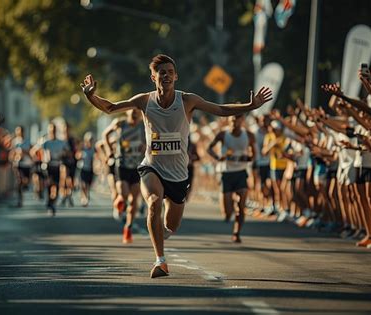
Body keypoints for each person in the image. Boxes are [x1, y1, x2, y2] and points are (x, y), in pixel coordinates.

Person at [81, 54, 272, 278]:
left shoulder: (187, 100)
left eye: (170, 72)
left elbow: (219, 109)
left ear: (176, 76)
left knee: (171, 226)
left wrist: (250, 106)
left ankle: (161, 233)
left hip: (179, 174)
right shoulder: (144, 100)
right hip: (151, 166)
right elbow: (111, 107)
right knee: (153, 202)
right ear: (153, 77)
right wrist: (91, 96)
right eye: (162, 72)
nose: (166, 76)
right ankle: (160, 261)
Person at [207, 114, 256, 243]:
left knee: (241, 207)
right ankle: (230, 209)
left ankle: (237, 233)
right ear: (229, 121)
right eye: (233, 120)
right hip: (226, 173)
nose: (235, 123)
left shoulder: (249, 135)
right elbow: (209, 148)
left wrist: (248, 157)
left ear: (242, 121)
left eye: (238, 120)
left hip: (241, 173)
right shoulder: (223, 135)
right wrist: (218, 158)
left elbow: (254, 155)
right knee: (228, 213)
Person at [103, 109, 145, 243]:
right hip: (122, 164)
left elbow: (153, 139)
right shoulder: (120, 124)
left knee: (134, 201)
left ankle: (128, 227)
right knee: (124, 195)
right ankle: (119, 203)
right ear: (127, 113)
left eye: (137, 113)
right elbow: (105, 134)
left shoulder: (144, 126)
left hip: (137, 166)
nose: (134, 115)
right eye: (132, 112)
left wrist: (146, 148)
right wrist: (109, 150)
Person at [11, 126, 32, 207]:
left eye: (20, 131)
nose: (19, 133)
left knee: (25, 181)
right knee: (19, 181)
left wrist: (24, 152)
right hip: (18, 164)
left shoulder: (27, 141)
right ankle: (20, 199)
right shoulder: (15, 142)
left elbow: (31, 152)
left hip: (27, 164)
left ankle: (25, 185)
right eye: (17, 131)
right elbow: (12, 153)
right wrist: (14, 157)